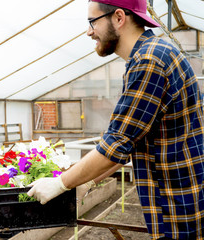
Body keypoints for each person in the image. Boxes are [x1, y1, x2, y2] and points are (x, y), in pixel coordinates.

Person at [28, 0, 204, 239]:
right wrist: (85, 183)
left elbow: (115, 144)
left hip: (176, 201)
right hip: (182, 195)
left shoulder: (149, 61)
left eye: (92, 22)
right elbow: (129, 141)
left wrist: (61, 183)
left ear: (119, 18)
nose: (89, 31)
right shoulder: (150, 54)